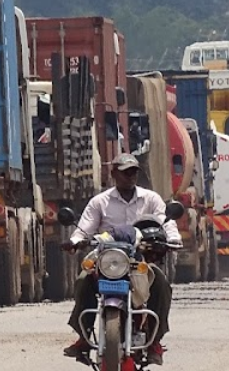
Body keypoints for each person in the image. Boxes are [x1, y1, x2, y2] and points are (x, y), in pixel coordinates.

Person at [63, 154, 181, 365]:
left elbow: (166, 223)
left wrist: (172, 239)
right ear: (114, 173)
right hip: (108, 260)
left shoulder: (151, 199)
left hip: (141, 260)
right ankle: (83, 336)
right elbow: (84, 228)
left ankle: (155, 339)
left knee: (161, 284)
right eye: (125, 172)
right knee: (83, 281)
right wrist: (75, 241)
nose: (130, 176)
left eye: (134, 171)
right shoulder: (100, 202)